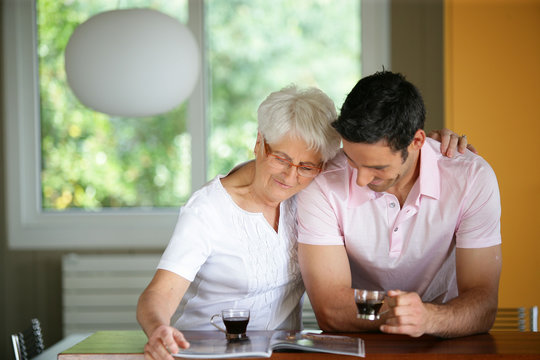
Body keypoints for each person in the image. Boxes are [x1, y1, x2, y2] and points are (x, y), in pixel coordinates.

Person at [137, 84, 472, 360]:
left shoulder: (310, 195)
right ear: (259, 143)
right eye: (281, 158)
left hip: (281, 354)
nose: (290, 176)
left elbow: (384, 146)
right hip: (205, 352)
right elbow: (158, 296)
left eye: (307, 166)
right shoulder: (208, 210)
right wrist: (158, 329)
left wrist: (432, 146)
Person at [297, 71, 502, 339]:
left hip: (444, 339)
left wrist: (429, 318)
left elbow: (483, 303)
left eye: (377, 167)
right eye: (351, 159)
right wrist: (408, 314)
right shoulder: (322, 183)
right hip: (360, 343)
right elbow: (331, 309)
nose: (360, 179)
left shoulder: (472, 177)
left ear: (417, 141)